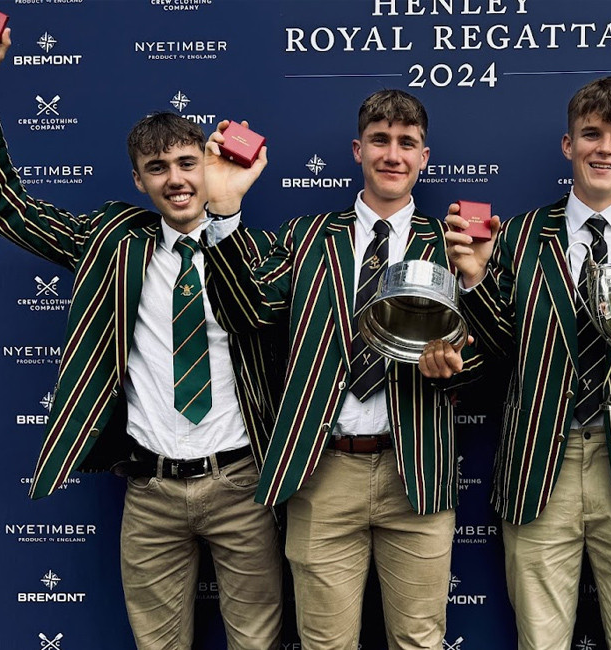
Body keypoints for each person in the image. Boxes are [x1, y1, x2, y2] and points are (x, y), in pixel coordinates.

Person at [0, 6, 285, 648]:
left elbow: (257, 311)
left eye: (188, 162)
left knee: (257, 641)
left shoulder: (261, 252)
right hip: (151, 490)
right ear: (139, 181)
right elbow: (7, 210)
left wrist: (227, 210)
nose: (176, 179)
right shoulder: (114, 240)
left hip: (242, 482)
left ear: (208, 165)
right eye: (158, 169)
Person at [444, 75, 611, 650]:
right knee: (540, 642)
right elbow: (495, 353)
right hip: (541, 461)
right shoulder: (515, 237)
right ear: (568, 145)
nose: (604, 148)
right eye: (590, 134)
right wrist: (473, 282)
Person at [202, 88, 481, 650]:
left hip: (417, 474)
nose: (393, 154)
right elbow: (245, 309)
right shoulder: (305, 238)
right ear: (358, 150)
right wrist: (224, 211)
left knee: (420, 640)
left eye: (408, 143)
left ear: (424, 158)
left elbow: (485, 363)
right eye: (380, 140)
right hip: (322, 472)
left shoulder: (452, 245)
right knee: (324, 642)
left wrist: (454, 363)